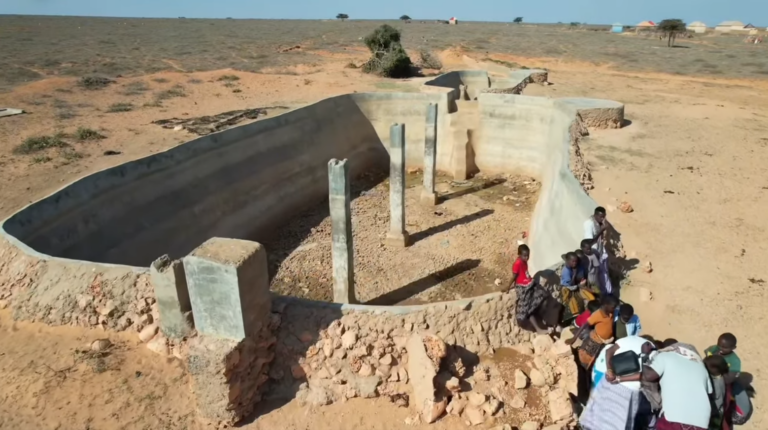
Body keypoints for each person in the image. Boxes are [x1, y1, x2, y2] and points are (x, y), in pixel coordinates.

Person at [580, 335, 656, 430]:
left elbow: (609, 351)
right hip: (630, 390)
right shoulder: (654, 351)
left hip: (608, 382)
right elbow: (645, 375)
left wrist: (609, 370)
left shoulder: (630, 339)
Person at [643, 342, 713, 430]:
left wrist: (643, 356)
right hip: (701, 421)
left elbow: (648, 376)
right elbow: (709, 393)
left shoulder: (665, 356)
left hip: (675, 417)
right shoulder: (701, 366)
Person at [510, 244, 563, 334]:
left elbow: (524, 274)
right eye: (524, 256)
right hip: (523, 288)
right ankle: (539, 329)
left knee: (544, 297)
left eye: (528, 255)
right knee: (528, 309)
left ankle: (552, 323)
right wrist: (507, 287)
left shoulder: (523, 261)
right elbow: (514, 277)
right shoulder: (517, 264)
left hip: (529, 284)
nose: (527, 258)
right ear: (519, 254)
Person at [567, 294, 618, 369]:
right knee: (587, 358)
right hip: (596, 340)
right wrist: (574, 338)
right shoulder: (597, 315)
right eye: (613, 307)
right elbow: (584, 325)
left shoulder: (611, 312)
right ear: (606, 305)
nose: (614, 309)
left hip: (607, 340)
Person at [583, 206, 613, 295]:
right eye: (601, 217)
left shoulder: (598, 222)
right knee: (598, 278)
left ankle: (608, 294)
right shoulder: (589, 224)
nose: (603, 219)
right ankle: (605, 295)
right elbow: (589, 242)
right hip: (594, 255)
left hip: (600, 253)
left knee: (604, 275)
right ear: (595, 215)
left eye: (604, 216)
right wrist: (602, 230)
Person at [560, 252, 596, 322]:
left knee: (591, 298)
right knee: (574, 306)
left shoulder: (579, 267)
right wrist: (575, 276)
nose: (575, 263)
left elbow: (582, 276)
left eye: (576, 261)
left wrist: (582, 282)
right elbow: (569, 284)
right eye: (573, 261)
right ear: (568, 261)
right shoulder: (566, 271)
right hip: (569, 290)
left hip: (579, 286)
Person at [704, 355, 730, 430]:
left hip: (715, 413)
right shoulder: (716, 377)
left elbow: (718, 402)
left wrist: (710, 413)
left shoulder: (717, 384)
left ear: (714, 369)